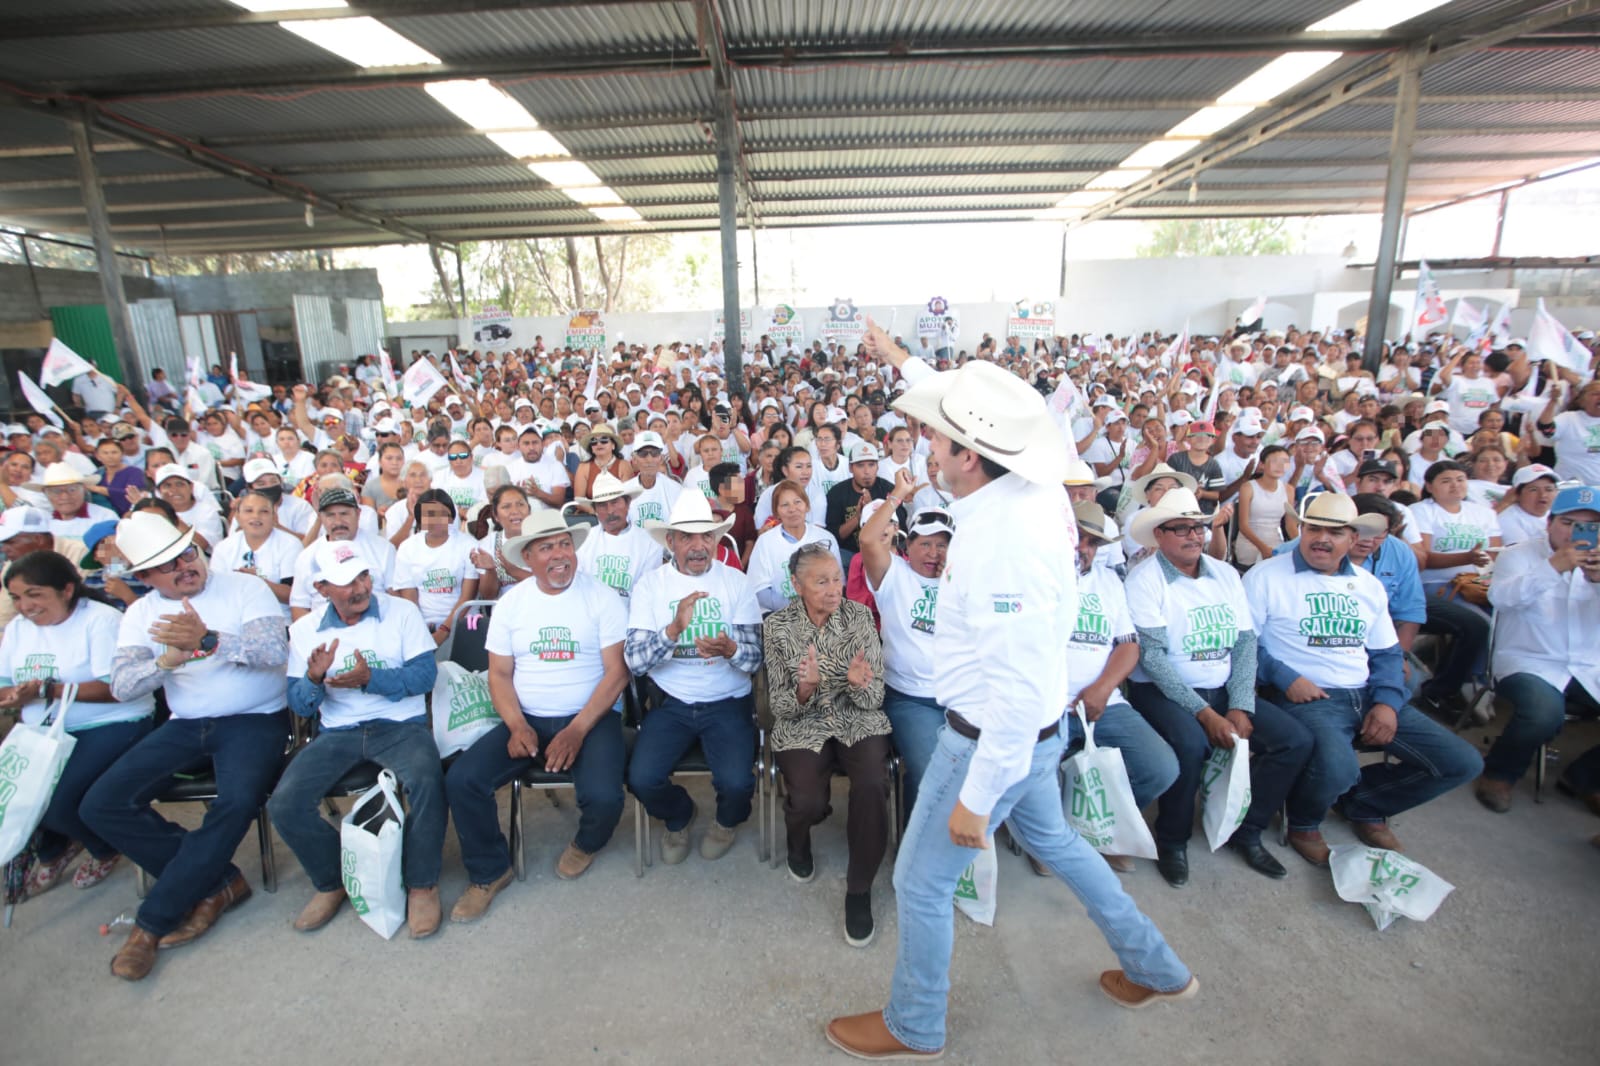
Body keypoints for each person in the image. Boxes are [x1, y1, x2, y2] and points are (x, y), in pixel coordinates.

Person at [828, 353, 1193, 1064]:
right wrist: (901, 357)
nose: (926, 447)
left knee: (920, 883)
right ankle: (1156, 967)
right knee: (1056, 844)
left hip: (992, 736)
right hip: (1033, 733)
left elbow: (1020, 689)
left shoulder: (1002, 542)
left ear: (969, 454)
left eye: (937, 440)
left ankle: (916, 1023)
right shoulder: (1031, 487)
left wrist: (977, 794)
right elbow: (998, 405)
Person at [81, 512, 290, 982]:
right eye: (168, 566)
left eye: (187, 554)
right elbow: (124, 685)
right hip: (186, 722)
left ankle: (150, 924)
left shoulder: (243, 588)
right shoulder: (141, 613)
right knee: (100, 804)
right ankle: (216, 881)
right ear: (145, 577)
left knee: (235, 802)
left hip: (254, 719)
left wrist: (209, 640)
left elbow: (276, 652)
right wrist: (168, 660)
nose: (185, 566)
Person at [1243, 493, 1483, 862]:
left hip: (1366, 690)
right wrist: (1285, 676)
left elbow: (1387, 652)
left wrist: (1387, 701)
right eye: (1314, 528)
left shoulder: (1367, 584)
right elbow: (1245, 644)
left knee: (1461, 762)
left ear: (1354, 539)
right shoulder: (1266, 576)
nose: (1322, 538)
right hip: (1308, 695)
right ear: (1301, 530)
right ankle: (1305, 822)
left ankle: (1364, 804)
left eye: (1335, 532)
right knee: (1340, 768)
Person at [445, 512, 630, 917]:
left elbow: (618, 673)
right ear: (528, 558)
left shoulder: (602, 596)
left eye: (565, 544)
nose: (560, 555)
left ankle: (586, 844)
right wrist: (515, 724)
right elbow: (499, 673)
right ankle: (490, 871)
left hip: (590, 718)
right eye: (547, 547)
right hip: (526, 717)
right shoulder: (512, 602)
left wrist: (577, 729)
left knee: (604, 796)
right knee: (462, 780)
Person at [1124, 487, 1311, 885]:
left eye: (1198, 527)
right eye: (1181, 529)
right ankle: (1172, 839)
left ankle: (1248, 830)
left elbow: (1245, 643)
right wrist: (1205, 714)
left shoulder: (1225, 574)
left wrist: (1241, 704)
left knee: (1294, 740)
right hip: (1162, 690)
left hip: (1223, 685)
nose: (1194, 536)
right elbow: (1152, 658)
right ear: (1159, 535)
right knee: (1190, 746)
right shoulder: (1145, 580)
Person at [274, 540, 444, 937]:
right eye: (346, 582)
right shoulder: (303, 631)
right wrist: (313, 679)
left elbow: (425, 677)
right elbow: (299, 706)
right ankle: (333, 881)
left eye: (363, 576)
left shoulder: (403, 613)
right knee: (285, 803)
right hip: (339, 732)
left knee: (427, 781)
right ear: (322, 589)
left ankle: (422, 884)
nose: (360, 588)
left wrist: (373, 680)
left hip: (400, 725)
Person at [0, 550, 157, 894]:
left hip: (111, 722)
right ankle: (57, 847)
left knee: (53, 798)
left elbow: (117, 690)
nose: (25, 606)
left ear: (66, 589)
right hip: (42, 730)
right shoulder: (17, 630)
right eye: (16, 598)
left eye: (34, 594)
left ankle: (103, 847)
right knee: (17, 791)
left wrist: (48, 689)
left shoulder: (99, 620)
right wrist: (12, 696)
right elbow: (4, 682)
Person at [625, 492, 764, 864]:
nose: (698, 546)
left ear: (717, 541)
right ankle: (679, 815)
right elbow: (636, 663)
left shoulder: (736, 583)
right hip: (672, 703)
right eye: (687, 537)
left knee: (737, 784)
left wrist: (730, 651)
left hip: (729, 702)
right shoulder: (650, 586)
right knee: (641, 779)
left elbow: (755, 660)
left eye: (706, 536)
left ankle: (725, 822)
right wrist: (672, 631)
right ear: (670, 542)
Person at [763, 542, 891, 946]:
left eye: (837, 578)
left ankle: (859, 888)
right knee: (808, 801)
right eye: (821, 582)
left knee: (872, 783)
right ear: (797, 585)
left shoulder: (860, 618)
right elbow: (778, 707)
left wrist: (857, 686)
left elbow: (875, 698)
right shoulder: (777, 626)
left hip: (858, 719)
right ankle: (798, 842)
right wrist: (804, 689)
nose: (834, 589)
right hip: (803, 724)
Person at [1476, 485, 1600, 812]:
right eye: (1568, 523)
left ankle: (1584, 777)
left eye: (1590, 526)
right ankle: (1500, 774)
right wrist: (1553, 567)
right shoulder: (1519, 554)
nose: (1576, 533)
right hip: (1528, 661)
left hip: (1588, 666)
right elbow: (1500, 598)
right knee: (1543, 712)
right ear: (1550, 523)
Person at [859, 471, 950, 813]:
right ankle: (919, 847)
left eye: (942, 544)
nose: (933, 552)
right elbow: (869, 541)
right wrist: (897, 494)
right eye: (924, 543)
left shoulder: (962, 580)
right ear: (906, 545)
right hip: (911, 698)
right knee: (930, 768)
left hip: (962, 696)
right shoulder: (894, 574)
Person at [290, 488, 396, 622]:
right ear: (321, 518)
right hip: (326, 633)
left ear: (358, 514)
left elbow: (395, 598)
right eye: (330, 515)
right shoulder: (307, 556)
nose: (338, 522)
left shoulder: (383, 549)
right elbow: (299, 606)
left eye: (344, 514)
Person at [392, 488, 479, 645]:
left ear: (451, 517)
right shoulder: (408, 547)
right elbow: (409, 597)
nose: (436, 520)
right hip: (422, 624)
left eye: (442, 514)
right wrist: (419, 629)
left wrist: (443, 631)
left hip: (463, 623)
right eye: (429, 514)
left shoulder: (468, 545)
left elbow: (467, 597)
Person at [746, 479, 841, 613]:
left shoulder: (825, 538)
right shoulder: (765, 542)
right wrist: (800, 609)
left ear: (807, 506)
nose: (792, 509)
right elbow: (760, 591)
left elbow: (839, 581)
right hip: (779, 614)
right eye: (785, 505)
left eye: (798, 502)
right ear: (776, 512)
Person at [208, 488, 301, 619]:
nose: (256, 516)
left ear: (274, 516)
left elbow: (293, 596)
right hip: (234, 620)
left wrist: (259, 582)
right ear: (238, 517)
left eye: (264, 511)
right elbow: (215, 591)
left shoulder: (290, 544)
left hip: (277, 619)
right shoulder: (224, 547)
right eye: (248, 511)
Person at [574, 472, 661, 599]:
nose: (610, 511)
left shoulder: (649, 544)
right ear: (595, 510)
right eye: (602, 505)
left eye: (615, 502)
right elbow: (579, 587)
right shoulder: (584, 540)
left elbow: (647, 594)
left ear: (628, 503)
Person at [824, 442, 896, 571]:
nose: (867, 471)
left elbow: (898, 532)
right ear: (851, 468)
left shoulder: (888, 490)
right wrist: (858, 518)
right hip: (850, 554)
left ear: (878, 467)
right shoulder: (837, 493)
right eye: (860, 465)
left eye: (871, 465)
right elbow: (833, 536)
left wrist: (872, 510)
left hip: (883, 552)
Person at [1232, 444, 1296, 566]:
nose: (1280, 466)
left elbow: (1290, 525)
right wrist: (1263, 548)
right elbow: (1243, 526)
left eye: (1285, 462)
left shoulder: (1289, 489)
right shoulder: (1248, 487)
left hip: (1276, 543)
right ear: (1262, 464)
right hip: (1249, 544)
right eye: (1275, 461)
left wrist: (1299, 545)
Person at [28, 462, 118, 540]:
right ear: (46, 494)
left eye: (72, 489)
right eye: (56, 491)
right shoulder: (42, 522)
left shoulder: (104, 517)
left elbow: (116, 558)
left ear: (84, 489)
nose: (65, 496)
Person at [1497, 463, 1560, 548]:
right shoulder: (1506, 517)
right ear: (1517, 494)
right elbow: (1522, 552)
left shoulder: (1559, 515)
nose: (1543, 495)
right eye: (1533, 490)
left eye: (1549, 489)